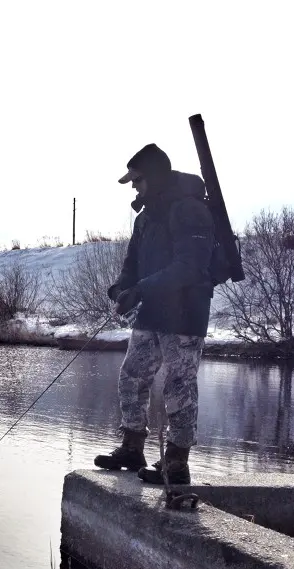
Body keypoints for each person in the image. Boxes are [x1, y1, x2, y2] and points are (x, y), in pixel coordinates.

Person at [93, 143, 215, 484]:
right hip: (153, 312)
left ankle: (176, 461)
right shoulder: (145, 218)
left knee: (179, 384)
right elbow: (131, 265)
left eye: (138, 180)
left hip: (186, 314)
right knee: (131, 376)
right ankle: (132, 447)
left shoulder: (190, 210)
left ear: (156, 177)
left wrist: (141, 289)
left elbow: (190, 266)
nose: (134, 186)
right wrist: (121, 289)